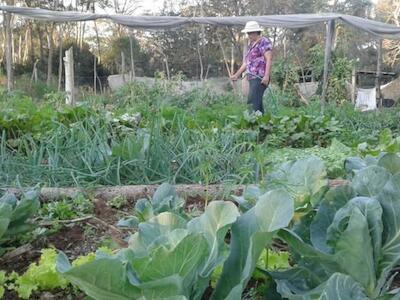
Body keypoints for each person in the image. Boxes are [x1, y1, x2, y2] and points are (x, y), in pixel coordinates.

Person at [230, 21, 273, 114]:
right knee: (257, 102)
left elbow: (269, 59)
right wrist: (236, 75)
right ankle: (263, 125)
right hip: (252, 77)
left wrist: (266, 76)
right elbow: (247, 63)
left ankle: (252, 123)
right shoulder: (252, 45)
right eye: (247, 33)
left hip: (260, 77)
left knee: (252, 102)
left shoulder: (263, 42)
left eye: (250, 33)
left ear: (256, 32)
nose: (248, 35)